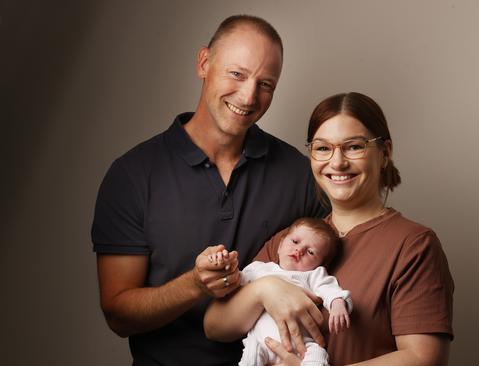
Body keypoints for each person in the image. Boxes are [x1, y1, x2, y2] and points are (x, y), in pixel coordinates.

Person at [91, 15, 326, 365]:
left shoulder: (298, 173)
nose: (248, 97)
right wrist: (195, 285)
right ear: (204, 63)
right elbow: (118, 314)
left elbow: (340, 269)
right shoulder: (133, 174)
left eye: (266, 84)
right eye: (237, 74)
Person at [204, 92, 454, 365]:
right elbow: (216, 326)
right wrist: (265, 289)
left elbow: (424, 358)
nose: (337, 163)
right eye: (323, 148)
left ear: (385, 153)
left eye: (354, 146)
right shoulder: (293, 238)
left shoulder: (413, 245)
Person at [210, 217, 352, 366]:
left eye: (310, 252)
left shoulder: (313, 275)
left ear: (321, 264)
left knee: (318, 354)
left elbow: (329, 288)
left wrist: (337, 304)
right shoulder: (260, 269)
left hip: (303, 346)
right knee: (250, 356)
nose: (299, 250)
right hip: (261, 343)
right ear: (280, 246)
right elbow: (235, 280)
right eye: (295, 242)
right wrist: (224, 264)